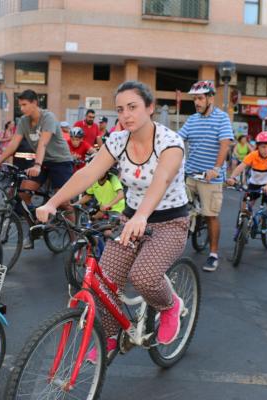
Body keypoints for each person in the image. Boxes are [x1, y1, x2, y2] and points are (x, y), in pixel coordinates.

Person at [36, 80, 190, 360]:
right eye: (120, 109)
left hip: (169, 222)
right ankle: (109, 335)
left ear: (150, 108)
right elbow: (87, 174)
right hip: (130, 220)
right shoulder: (118, 140)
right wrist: (53, 202)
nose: (126, 115)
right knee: (103, 281)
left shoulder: (170, 142)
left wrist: (143, 215)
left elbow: (162, 178)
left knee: (143, 277)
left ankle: (170, 306)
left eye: (133, 107)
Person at [0, 90, 73, 248]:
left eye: (25, 104)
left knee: (64, 202)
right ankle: (35, 227)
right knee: (23, 193)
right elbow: (13, 144)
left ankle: (75, 240)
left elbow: (43, 143)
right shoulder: (23, 121)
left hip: (60, 161)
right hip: (41, 162)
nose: (22, 108)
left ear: (35, 103)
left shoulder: (48, 117)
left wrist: (37, 165)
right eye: (20, 105)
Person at [178, 80, 233, 272]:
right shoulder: (192, 119)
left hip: (211, 176)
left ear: (210, 98)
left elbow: (225, 144)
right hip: (192, 174)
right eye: (195, 99)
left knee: (210, 215)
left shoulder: (222, 118)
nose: (197, 102)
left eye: (200, 98)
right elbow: (178, 139)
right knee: (177, 210)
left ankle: (213, 254)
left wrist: (216, 168)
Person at [226, 131, 267, 258]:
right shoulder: (253, 155)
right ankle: (241, 228)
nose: (266, 150)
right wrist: (232, 177)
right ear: (257, 146)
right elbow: (241, 166)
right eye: (263, 146)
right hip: (255, 183)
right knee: (245, 206)